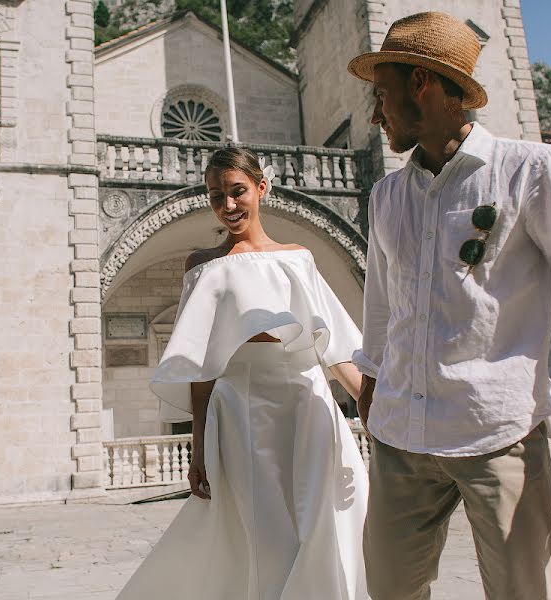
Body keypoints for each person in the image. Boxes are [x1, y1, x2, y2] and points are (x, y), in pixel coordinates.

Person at [347, 11, 551, 600]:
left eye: (383, 93)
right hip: (399, 437)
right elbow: (380, 307)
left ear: (422, 83)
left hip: (496, 432)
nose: (375, 112)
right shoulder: (387, 193)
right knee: (388, 589)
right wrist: (371, 391)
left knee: (527, 592)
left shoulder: (530, 169)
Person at [116, 147, 371, 600]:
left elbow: (333, 348)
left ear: (261, 188)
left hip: (305, 401)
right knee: (267, 535)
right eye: (217, 195)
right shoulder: (202, 265)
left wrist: (374, 410)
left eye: (237, 192)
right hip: (240, 409)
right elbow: (201, 363)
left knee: (322, 522)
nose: (228, 205)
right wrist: (198, 446)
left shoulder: (298, 257)